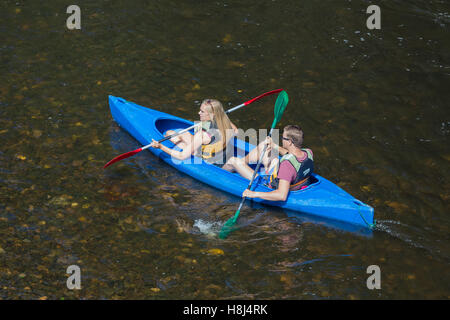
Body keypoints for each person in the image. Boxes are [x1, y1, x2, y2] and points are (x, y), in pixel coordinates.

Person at [223, 125, 313, 202]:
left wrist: (254, 194)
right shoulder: (308, 152)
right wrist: (274, 145)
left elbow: (282, 195)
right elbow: (290, 154)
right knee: (264, 146)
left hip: (267, 185)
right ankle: (241, 165)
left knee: (233, 160)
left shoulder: (287, 165)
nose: (281, 139)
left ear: (289, 142)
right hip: (296, 182)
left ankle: (220, 172)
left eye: (283, 138)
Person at [150, 99, 237, 163]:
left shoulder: (202, 134)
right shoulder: (225, 123)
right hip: (218, 154)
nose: (199, 113)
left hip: (206, 159)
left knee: (172, 137)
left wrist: (161, 147)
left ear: (212, 114)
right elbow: (236, 131)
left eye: (202, 112)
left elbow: (182, 157)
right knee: (171, 133)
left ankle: (190, 150)